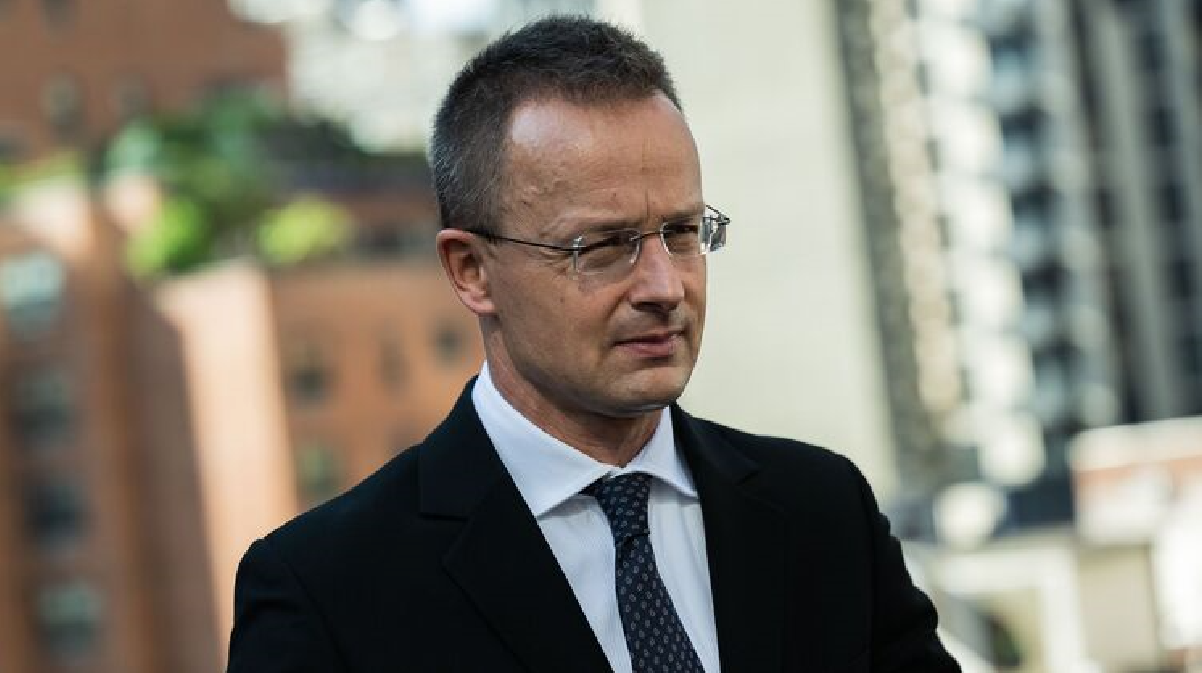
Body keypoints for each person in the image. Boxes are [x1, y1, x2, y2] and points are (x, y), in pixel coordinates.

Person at [226, 15, 961, 673]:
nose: (665, 286)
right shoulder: (326, 591)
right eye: (604, 246)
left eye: (681, 232)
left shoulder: (823, 512)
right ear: (471, 270)